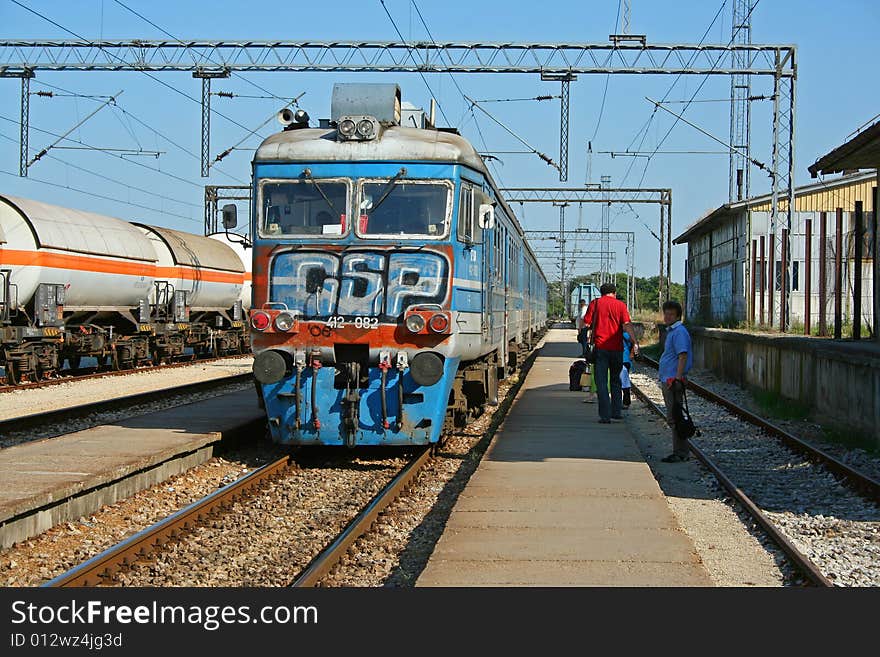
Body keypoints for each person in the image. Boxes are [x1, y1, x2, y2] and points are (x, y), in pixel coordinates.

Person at [584, 283, 640, 423]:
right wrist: (635, 342)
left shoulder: (595, 304)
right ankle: (616, 412)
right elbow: (627, 325)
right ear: (614, 293)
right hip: (617, 349)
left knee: (601, 381)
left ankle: (605, 415)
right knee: (616, 380)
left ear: (601, 293)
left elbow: (586, 324)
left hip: (601, 348)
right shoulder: (621, 305)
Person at [658, 300, 693, 462]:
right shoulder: (672, 331)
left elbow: (683, 355)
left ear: (678, 316)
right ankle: (679, 451)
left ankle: (680, 452)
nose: (667, 316)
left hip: (673, 380)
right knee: (674, 415)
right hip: (669, 378)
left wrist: (677, 378)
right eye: (666, 313)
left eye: (671, 314)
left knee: (675, 416)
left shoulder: (679, 332)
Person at [621, 330, 633, 408]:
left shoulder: (624, 334)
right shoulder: (626, 334)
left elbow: (633, 343)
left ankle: (624, 402)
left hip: (623, 359)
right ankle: (626, 402)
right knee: (624, 382)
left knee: (621, 382)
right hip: (625, 359)